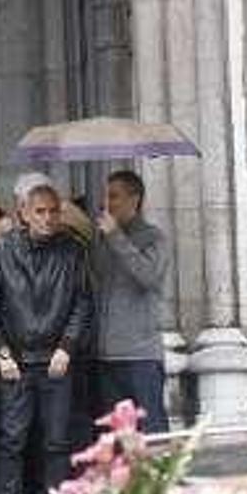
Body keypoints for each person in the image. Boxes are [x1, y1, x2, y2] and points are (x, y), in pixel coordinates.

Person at [0, 182, 92, 494]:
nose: (48, 218)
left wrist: (67, 347)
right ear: (23, 213)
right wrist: (1, 351)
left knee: (57, 441)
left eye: (54, 211)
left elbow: (83, 302)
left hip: (56, 359)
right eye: (40, 211)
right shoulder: (2, 247)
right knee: (11, 441)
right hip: (15, 359)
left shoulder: (72, 249)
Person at [92, 170, 170, 433]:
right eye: (105, 196)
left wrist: (116, 237)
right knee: (116, 440)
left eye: (114, 196)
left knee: (151, 434)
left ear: (134, 200)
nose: (107, 203)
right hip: (107, 356)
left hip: (140, 356)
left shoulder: (153, 237)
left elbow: (147, 276)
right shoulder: (103, 239)